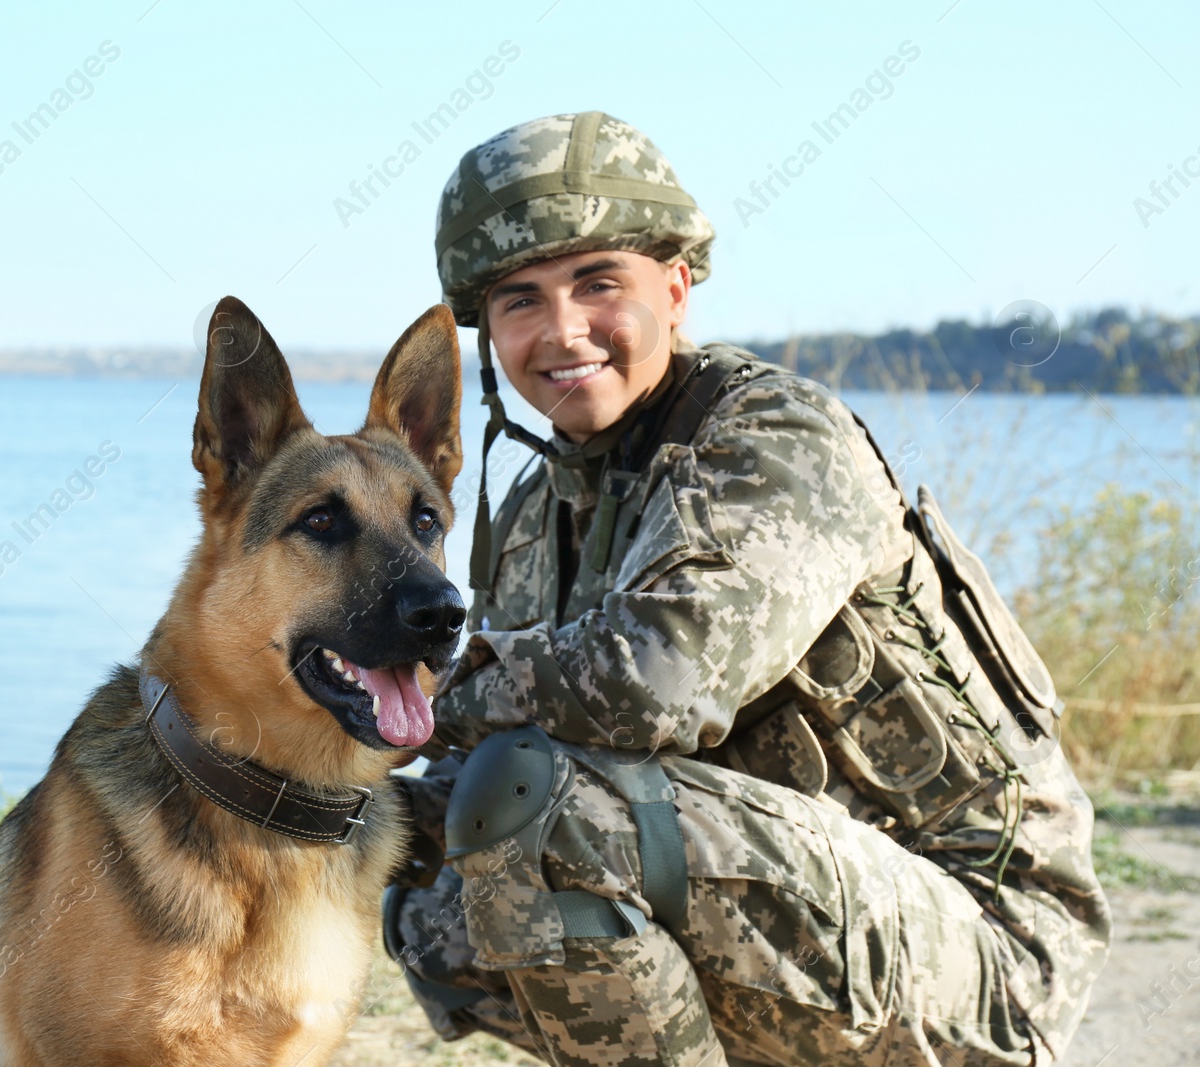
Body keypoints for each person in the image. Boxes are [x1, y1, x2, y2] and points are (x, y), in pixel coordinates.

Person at [384, 112, 1110, 1067]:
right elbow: (457, 773)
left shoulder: (774, 439)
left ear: (675, 290)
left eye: (598, 284)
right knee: (405, 862)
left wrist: (432, 698)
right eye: (520, 300)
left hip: (977, 942)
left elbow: (650, 684)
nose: (562, 331)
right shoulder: (531, 511)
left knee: (534, 802)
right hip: (786, 904)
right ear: (490, 333)